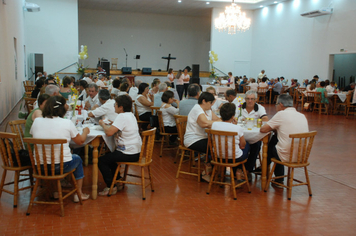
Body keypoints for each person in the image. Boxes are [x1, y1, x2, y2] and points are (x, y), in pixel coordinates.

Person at [30, 95, 90, 202]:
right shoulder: (66, 123)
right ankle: (78, 194)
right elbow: (80, 141)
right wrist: (85, 131)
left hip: (39, 166)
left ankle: (55, 191)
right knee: (77, 158)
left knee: (53, 157)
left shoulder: (37, 122)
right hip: (61, 166)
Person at [260, 94, 309, 187]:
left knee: (273, 144)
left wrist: (274, 129)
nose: (276, 106)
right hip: (301, 155)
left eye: (276, 104)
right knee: (277, 140)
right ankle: (273, 174)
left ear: (281, 104)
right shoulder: (302, 115)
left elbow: (263, 129)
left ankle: (265, 169)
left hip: (286, 155)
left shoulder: (281, 114)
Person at [98, 95, 142, 196]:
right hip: (136, 151)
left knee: (101, 161)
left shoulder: (122, 116)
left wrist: (103, 124)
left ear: (121, 107)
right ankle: (117, 182)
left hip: (128, 153)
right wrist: (113, 124)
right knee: (111, 157)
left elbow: (109, 132)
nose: (114, 107)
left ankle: (111, 186)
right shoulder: (130, 115)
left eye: (115, 105)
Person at [211, 103, 249, 178]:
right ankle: (239, 170)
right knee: (247, 145)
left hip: (218, 156)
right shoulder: (238, 128)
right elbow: (242, 145)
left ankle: (222, 173)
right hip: (234, 158)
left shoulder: (214, 125)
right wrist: (234, 125)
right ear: (233, 115)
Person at [235, 91, 268, 176]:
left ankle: (248, 169)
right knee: (237, 145)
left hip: (254, 136)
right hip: (240, 135)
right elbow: (234, 118)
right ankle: (237, 169)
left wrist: (254, 121)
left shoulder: (260, 108)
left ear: (256, 99)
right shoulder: (239, 107)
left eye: (252, 99)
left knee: (256, 145)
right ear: (245, 99)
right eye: (248, 99)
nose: (250, 101)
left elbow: (265, 118)